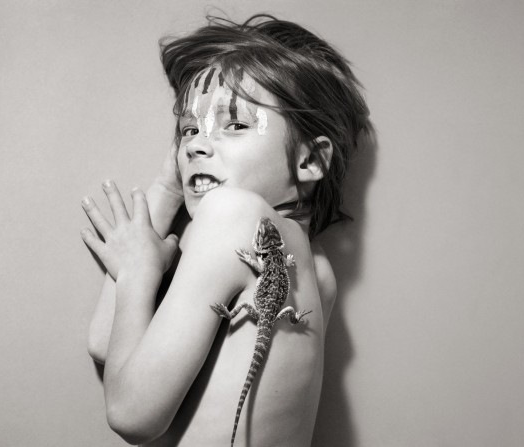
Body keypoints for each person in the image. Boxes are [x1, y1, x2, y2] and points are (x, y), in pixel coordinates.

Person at [81, 14, 370, 447]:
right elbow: (108, 343)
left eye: (235, 125)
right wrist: (168, 188)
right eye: (188, 130)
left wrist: (139, 271)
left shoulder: (234, 215)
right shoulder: (318, 269)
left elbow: (129, 413)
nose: (195, 145)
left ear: (310, 159)